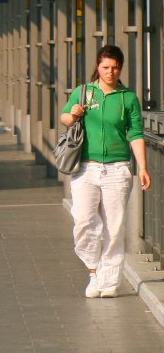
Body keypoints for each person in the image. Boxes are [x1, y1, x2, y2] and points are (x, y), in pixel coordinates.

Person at [60, 45, 151, 299]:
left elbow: (135, 134)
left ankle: (109, 281)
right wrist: (73, 114)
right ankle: (93, 271)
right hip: (86, 168)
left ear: (120, 68)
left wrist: (142, 167)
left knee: (114, 225)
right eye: (105, 67)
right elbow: (65, 117)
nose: (110, 72)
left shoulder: (128, 98)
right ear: (97, 67)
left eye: (115, 67)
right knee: (83, 221)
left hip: (117, 168)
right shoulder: (84, 92)